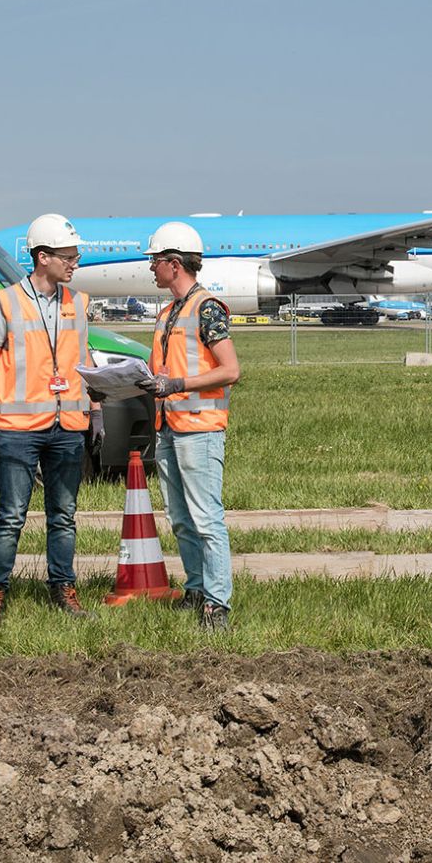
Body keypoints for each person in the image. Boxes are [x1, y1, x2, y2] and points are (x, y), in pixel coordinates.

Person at [0, 214, 103, 624]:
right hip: (17, 431)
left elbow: (85, 361)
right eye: (68, 256)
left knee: (63, 515)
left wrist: (95, 411)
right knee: (11, 517)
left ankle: (63, 588)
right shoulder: (4, 303)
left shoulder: (78, 303)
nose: (75, 262)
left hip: (67, 428)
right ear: (43, 257)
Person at [141, 221, 241, 632]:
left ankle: (217, 604)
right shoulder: (167, 313)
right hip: (169, 427)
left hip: (199, 429)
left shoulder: (207, 309)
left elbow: (231, 370)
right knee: (181, 518)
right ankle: (197, 588)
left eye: (155, 261)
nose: (151, 268)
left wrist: (177, 384)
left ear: (174, 264)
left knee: (206, 518)